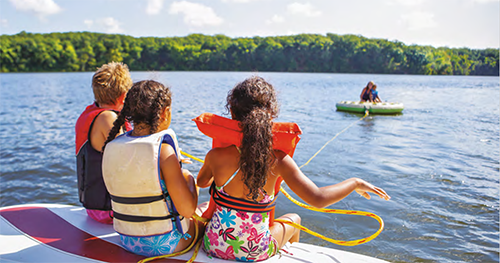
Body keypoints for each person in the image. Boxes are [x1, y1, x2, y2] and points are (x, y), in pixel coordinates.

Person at [196, 76, 391, 262]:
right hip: (255, 251)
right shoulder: (280, 160)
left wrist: (224, 179)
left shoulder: (216, 156)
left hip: (215, 244)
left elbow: (202, 183)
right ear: (271, 114)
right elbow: (318, 199)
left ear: (232, 114)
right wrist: (354, 183)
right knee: (294, 219)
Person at [101, 80, 199, 257]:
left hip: (127, 239)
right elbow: (187, 211)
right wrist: (190, 179)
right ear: (164, 112)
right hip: (165, 244)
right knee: (202, 225)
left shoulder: (112, 145)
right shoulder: (163, 152)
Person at [75, 62, 133, 224]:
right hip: (110, 209)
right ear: (124, 96)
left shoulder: (89, 114)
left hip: (95, 207)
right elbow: (129, 158)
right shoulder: (108, 118)